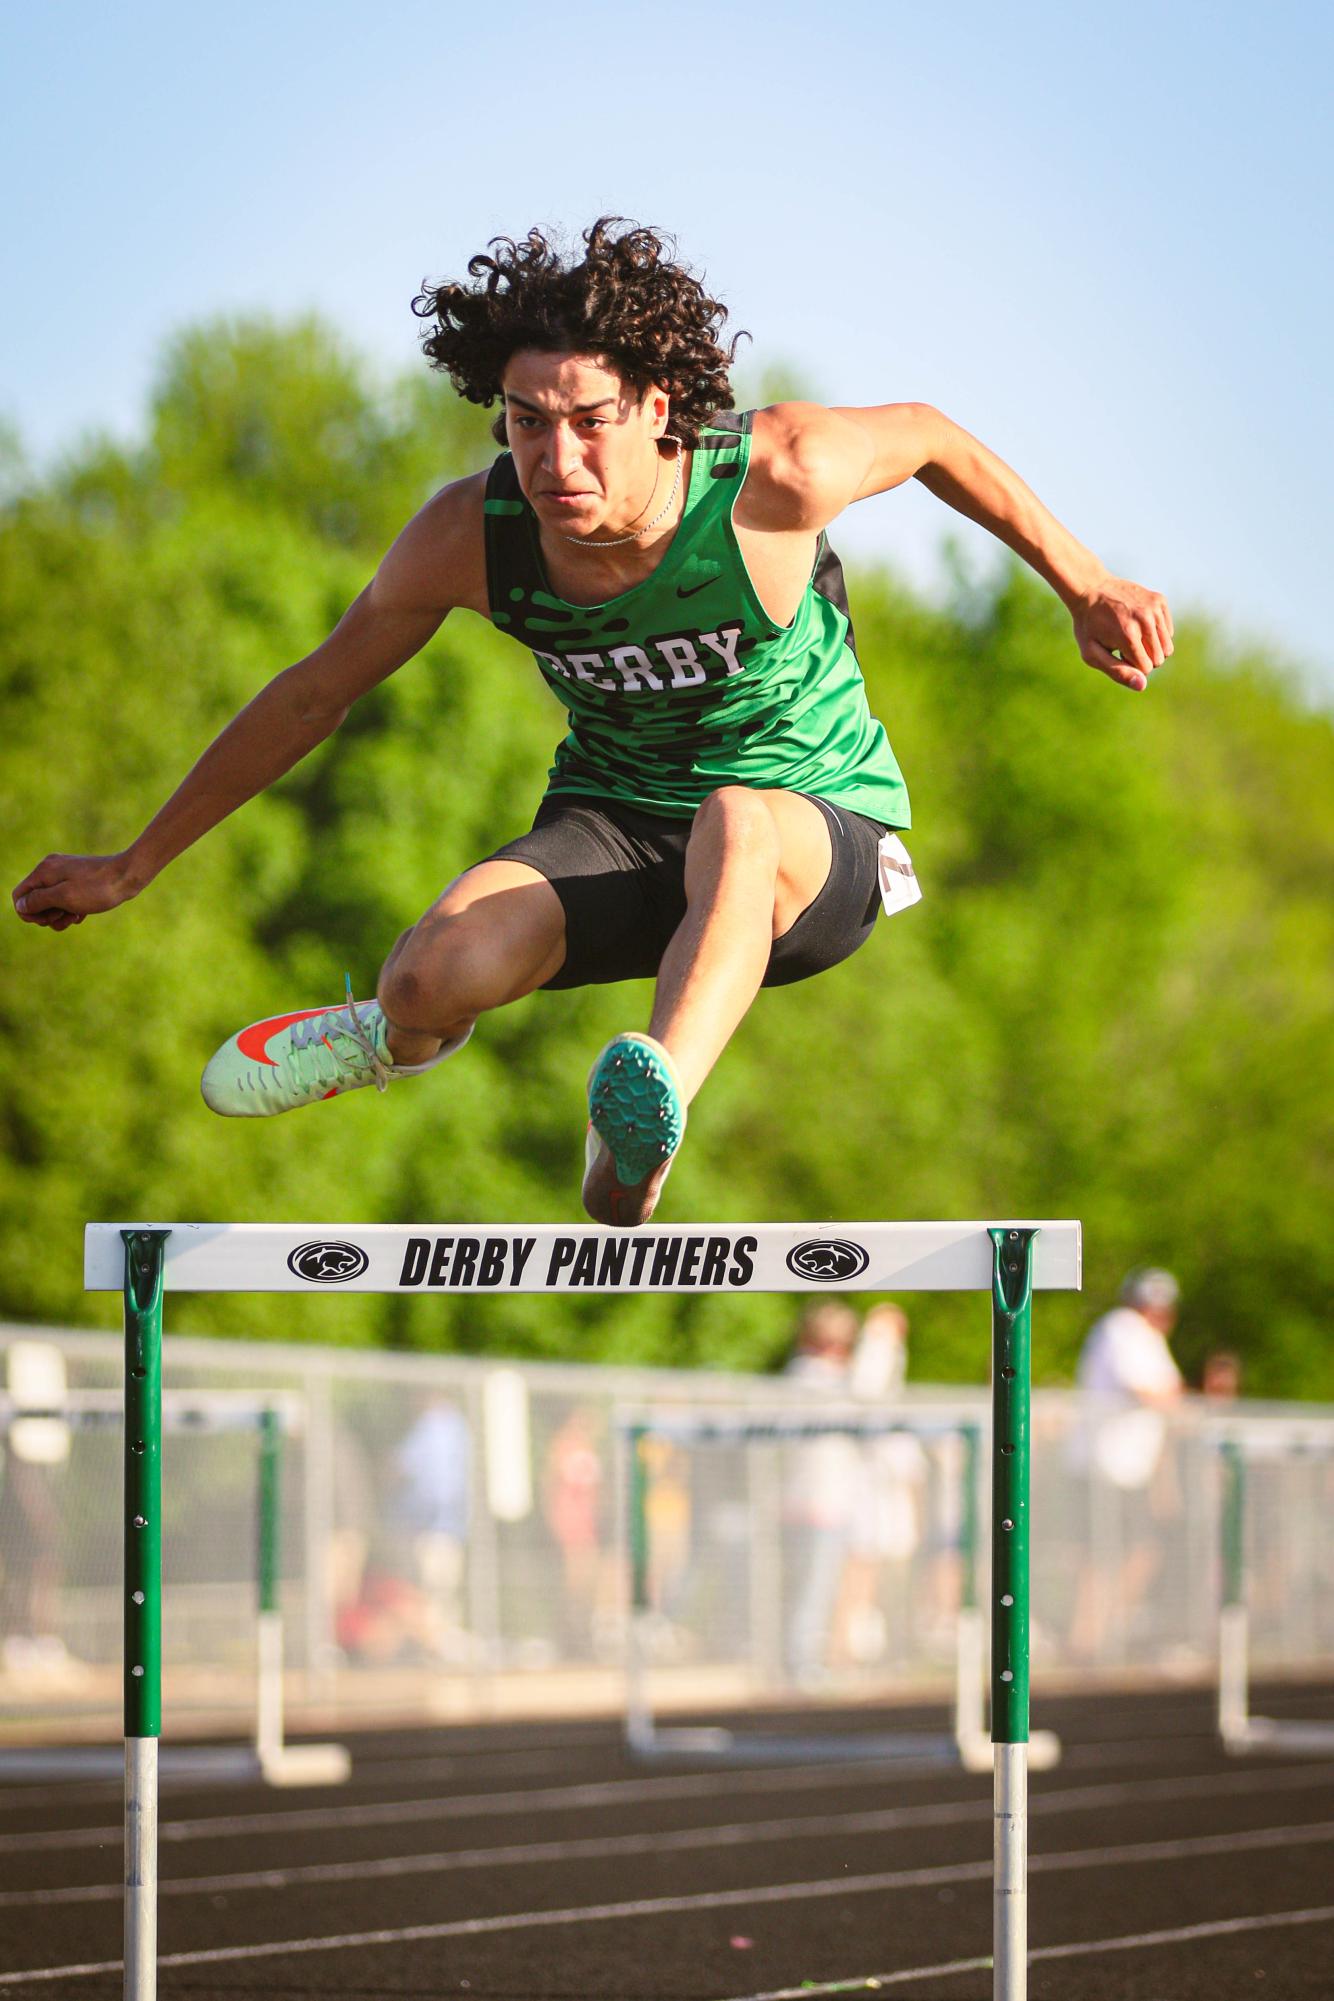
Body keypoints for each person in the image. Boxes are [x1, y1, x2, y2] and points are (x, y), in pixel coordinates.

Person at [12, 219, 1173, 1228]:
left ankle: (643, 1118)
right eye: (523, 424)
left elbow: (930, 435)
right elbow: (317, 690)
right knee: (427, 975)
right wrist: (134, 863)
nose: (554, 460)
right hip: (615, 827)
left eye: (587, 423)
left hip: (810, 840)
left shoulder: (774, 475)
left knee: (737, 820)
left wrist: (1082, 584)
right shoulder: (474, 534)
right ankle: (391, 1039)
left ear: (657, 408)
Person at [1067, 1267, 1184, 1660]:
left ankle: (1107, 1628)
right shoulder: (1122, 1327)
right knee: (1102, 1552)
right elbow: (1152, 1391)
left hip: (1129, 1469)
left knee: (1139, 1548)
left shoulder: (1146, 1337)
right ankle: (1089, 1636)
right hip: (1107, 1466)